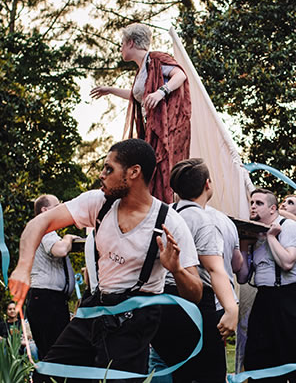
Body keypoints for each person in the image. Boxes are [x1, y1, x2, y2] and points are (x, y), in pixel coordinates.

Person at [9, 138, 202, 383]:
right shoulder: (99, 203)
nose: (102, 175)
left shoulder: (169, 222)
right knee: (48, 377)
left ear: (133, 172)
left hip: (135, 321)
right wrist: (23, 268)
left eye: (109, 169)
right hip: (96, 309)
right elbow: (39, 223)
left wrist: (176, 270)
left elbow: (195, 294)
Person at [151, 158, 239, 383]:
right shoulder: (202, 219)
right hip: (194, 307)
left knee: (176, 373)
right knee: (209, 375)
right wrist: (230, 308)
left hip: (160, 305)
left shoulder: (163, 215)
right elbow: (214, 269)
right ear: (207, 185)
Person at [90, 23, 191, 203]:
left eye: (122, 44)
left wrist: (161, 92)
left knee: (161, 170)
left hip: (167, 128)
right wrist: (110, 90)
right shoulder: (142, 70)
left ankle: (164, 208)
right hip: (150, 128)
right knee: (150, 171)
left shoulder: (156, 59)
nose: (120, 49)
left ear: (130, 43)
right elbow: (138, 97)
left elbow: (180, 75)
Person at [237, 188, 296, 382]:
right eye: (252, 203)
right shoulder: (253, 231)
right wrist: (244, 244)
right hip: (263, 298)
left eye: (259, 203)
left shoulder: (288, 227)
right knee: (257, 355)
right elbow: (243, 277)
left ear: (272, 208)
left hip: (287, 298)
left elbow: (287, 262)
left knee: (289, 354)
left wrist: (271, 237)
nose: (253, 206)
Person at [25, 194, 78, 360]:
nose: (61, 209)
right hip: (47, 300)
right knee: (56, 354)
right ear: (45, 210)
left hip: (47, 299)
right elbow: (60, 250)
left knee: (51, 353)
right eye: (57, 206)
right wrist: (69, 237)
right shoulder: (44, 228)